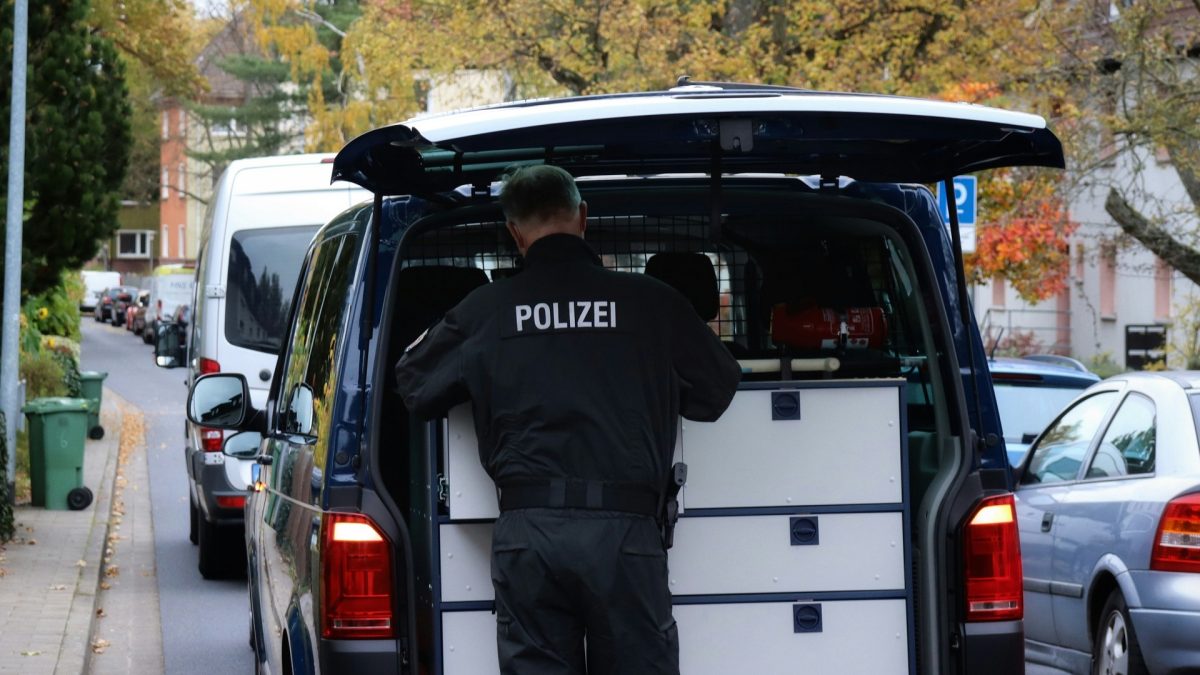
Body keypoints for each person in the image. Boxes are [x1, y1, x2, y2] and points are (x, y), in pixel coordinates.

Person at [394, 164, 741, 674]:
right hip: (626, 537)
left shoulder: (485, 311)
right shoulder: (652, 302)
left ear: (515, 233)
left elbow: (414, 385)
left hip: (529, 537)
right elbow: (717, 391)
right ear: (583, 217)